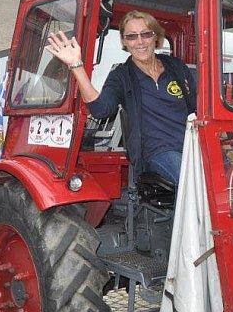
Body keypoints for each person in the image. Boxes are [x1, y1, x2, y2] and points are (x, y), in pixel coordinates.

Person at [46, 10, 196, 187]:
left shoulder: (176, 67)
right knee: (194, 185)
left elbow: (197, 105)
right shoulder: (122, 76)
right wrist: (76, 66)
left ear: (155, 37)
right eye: (131, 37)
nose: (140, 42)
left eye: (146, 34)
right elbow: (101, 110)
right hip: (158, 152)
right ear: (125, 41)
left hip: (192, 146)